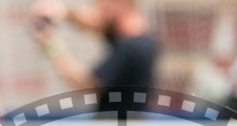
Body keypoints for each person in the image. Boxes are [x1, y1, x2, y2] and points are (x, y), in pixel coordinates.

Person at [30, 0, 158, 108]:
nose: (98, 11)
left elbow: (87, 85)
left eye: (102, 7)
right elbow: (96, 24)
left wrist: (52, 47)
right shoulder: (135, 38)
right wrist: (64, 12)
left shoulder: (132, 47)